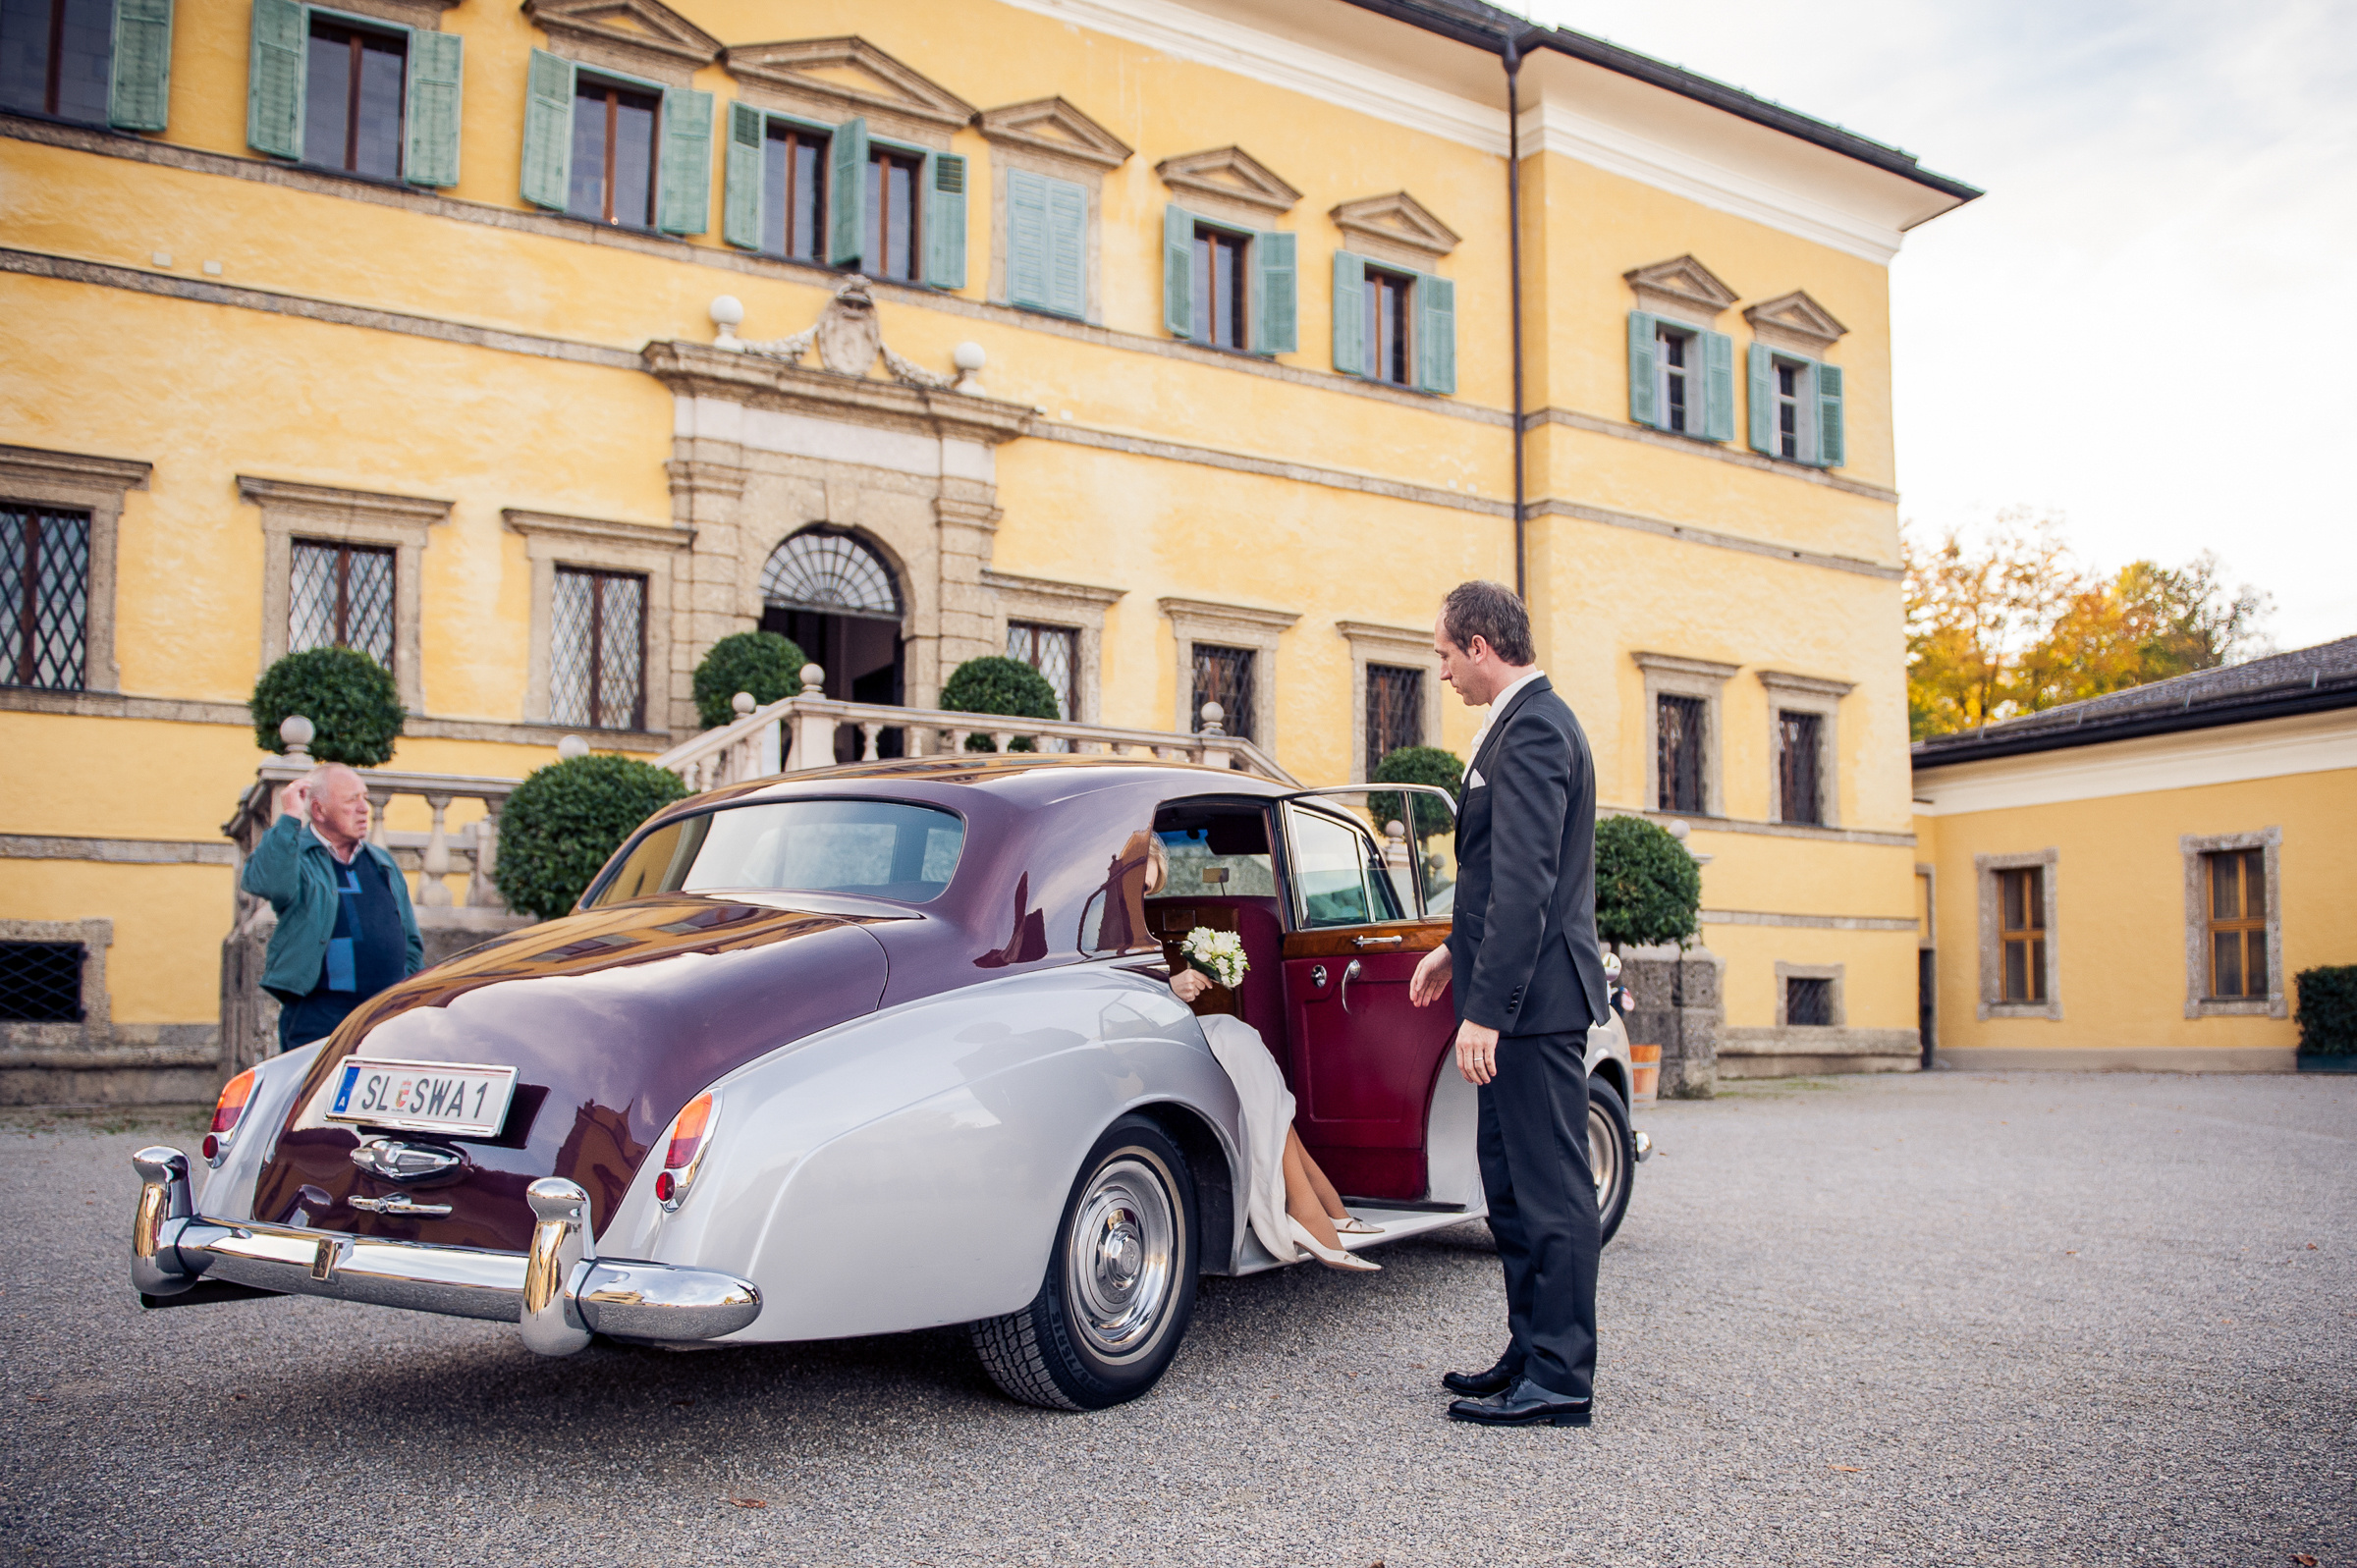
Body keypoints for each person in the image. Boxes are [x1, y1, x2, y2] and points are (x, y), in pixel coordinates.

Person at [1408, 579, 1610, 1430]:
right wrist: (1454, 951)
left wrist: (1487, 1009)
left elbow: (1530, 885)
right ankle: (1531, 1350)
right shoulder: (1522, 723)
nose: (1443, 671)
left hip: (1536, 1005)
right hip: (1520, 994)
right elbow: (1501, 877)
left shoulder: (1533, 729)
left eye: (1446, 654)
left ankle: (1561, 1376)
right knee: (1512, 1187)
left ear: (1481, 647)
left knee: (1550, 1188)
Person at [1142, 834, 1380, 1273]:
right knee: (1237, 1038)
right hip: (1139, 1038)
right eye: (1139, 885)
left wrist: (1176, 988)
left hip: (1162, 1027)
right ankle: (1314, 1207)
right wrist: (1170, 988)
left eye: (1149, 888)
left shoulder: (1129, 925)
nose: (1143, 895)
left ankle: (1318, 1207)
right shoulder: (1100, 926)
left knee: (1243, 1041)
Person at [241, 762, 422, 1054]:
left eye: (364, 798)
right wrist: (289, 817)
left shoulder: (382, 862)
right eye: (352, 800)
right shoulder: (297, 855)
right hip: (320, 1016)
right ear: (319, 810)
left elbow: (410, 938)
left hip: (384, 1014)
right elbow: (267, 882)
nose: (364, 809)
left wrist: (406, 993)